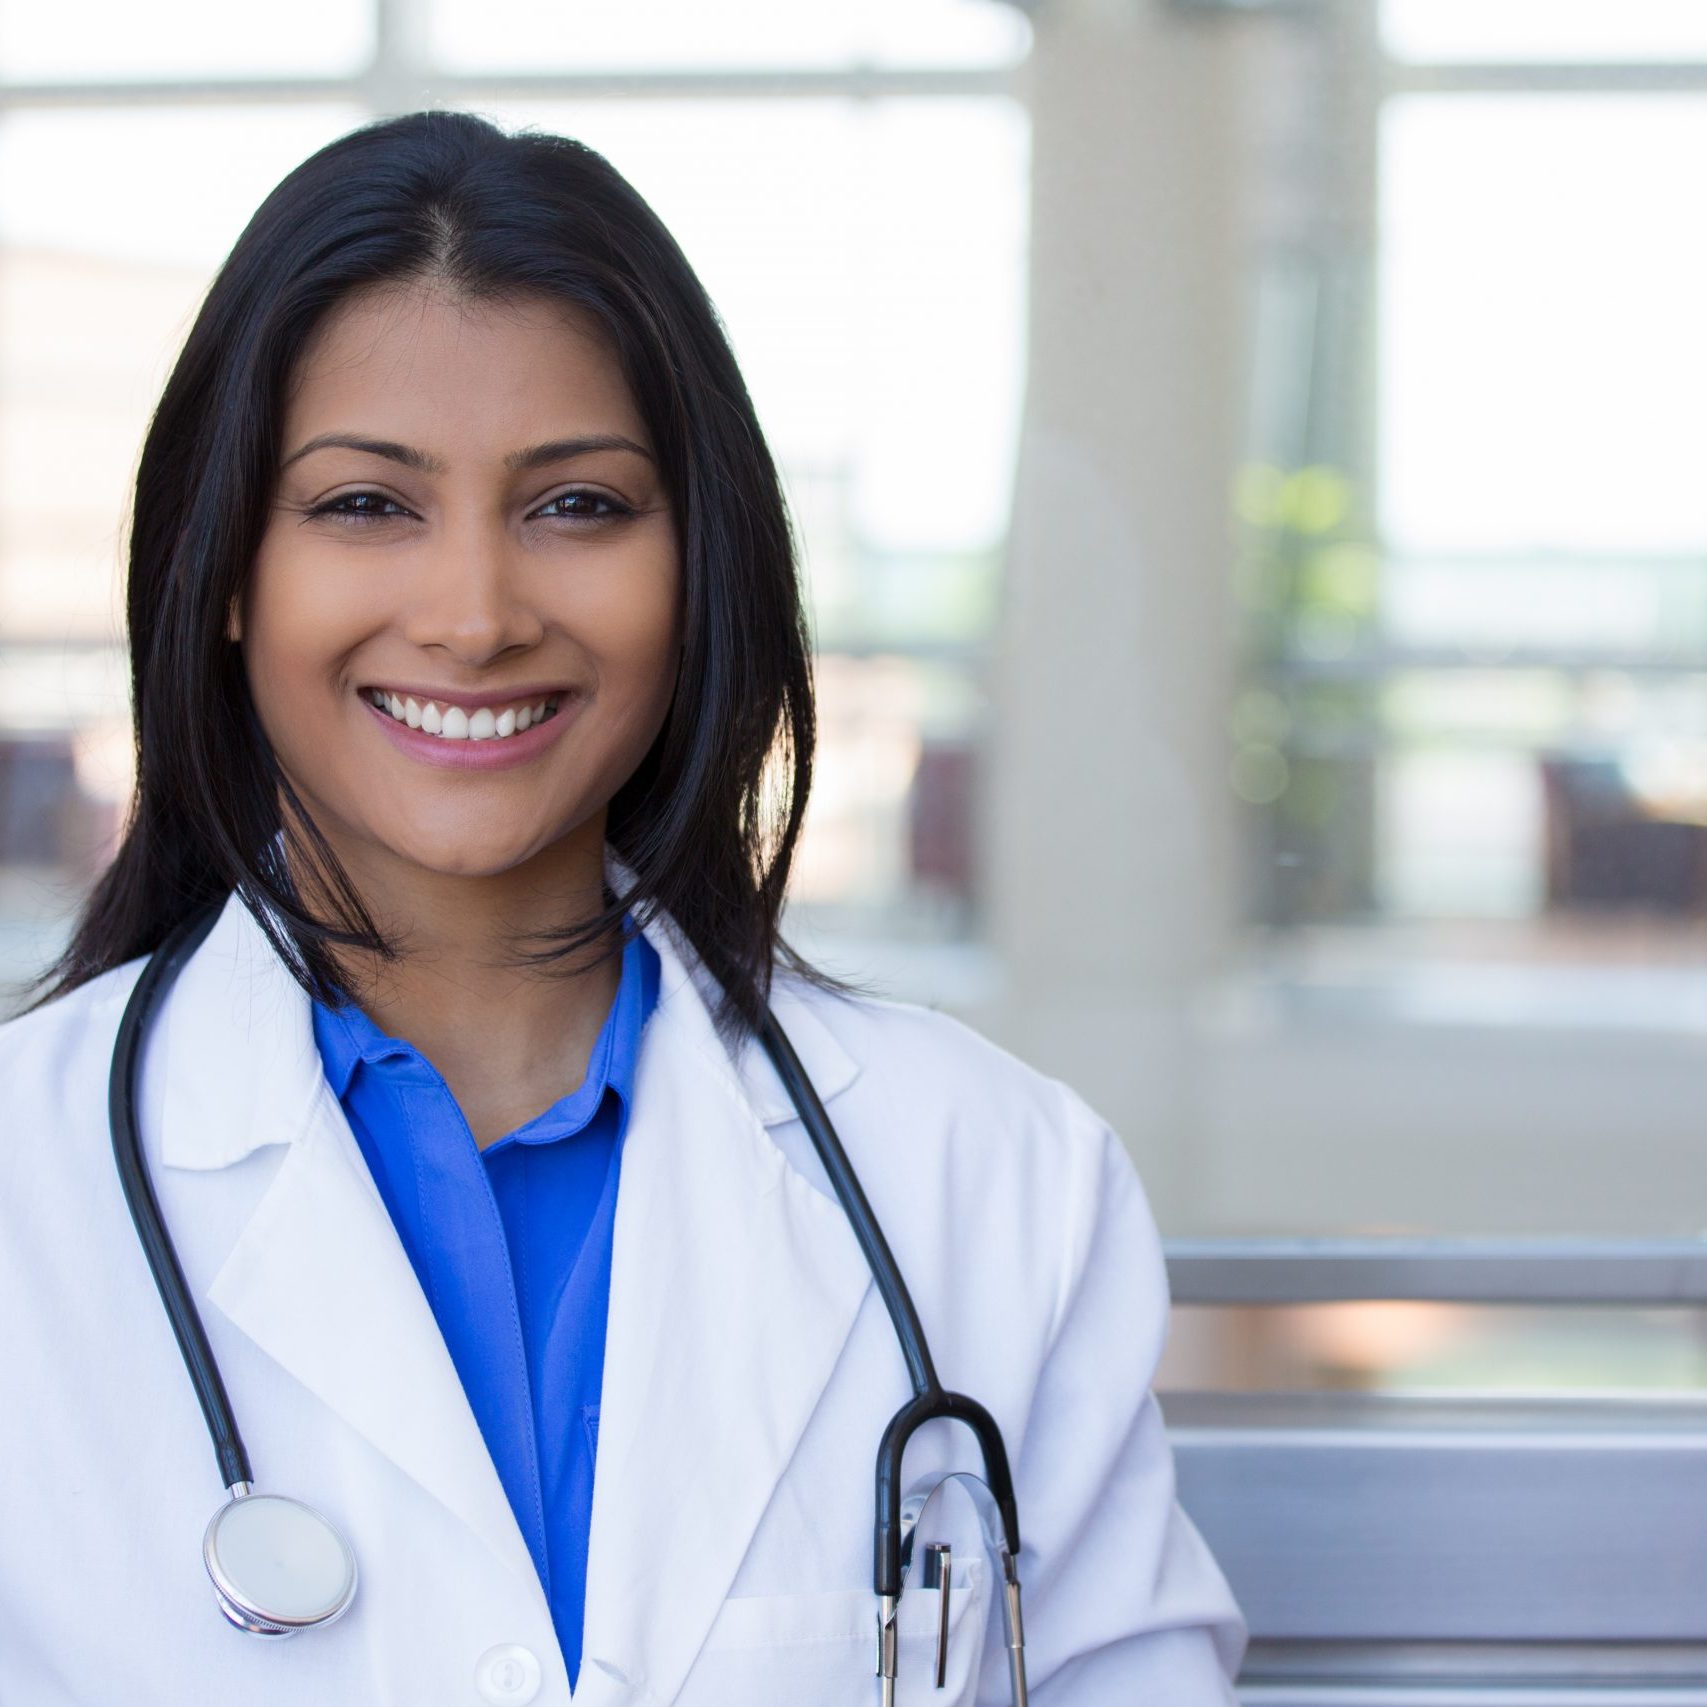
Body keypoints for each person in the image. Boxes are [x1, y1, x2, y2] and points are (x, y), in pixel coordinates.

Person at [0, 110, 1245, 1705]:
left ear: (697, 560)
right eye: (366, 505)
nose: (473, 615)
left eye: (576, 505)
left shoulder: (989, 1182)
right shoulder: (34, 1186)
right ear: (227, 567)